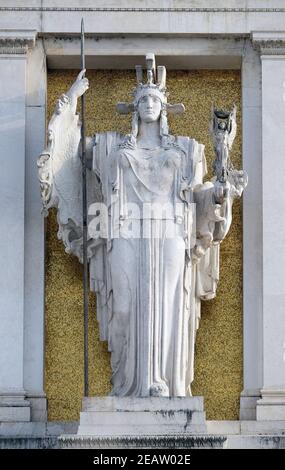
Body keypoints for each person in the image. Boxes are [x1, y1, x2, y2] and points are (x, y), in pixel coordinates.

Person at [38, 54, 247, 397]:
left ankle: (161, 383)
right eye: (143, 99)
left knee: (166, 308)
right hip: (124, 235)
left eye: (155, 99)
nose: (149, 104)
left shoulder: (185, 150)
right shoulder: (109, 147)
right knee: (123, 306)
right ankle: (127, 384)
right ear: (134, 108)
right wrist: (69, 101)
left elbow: (198, 196)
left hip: (169, 235)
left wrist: (221, 186)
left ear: (164, 108)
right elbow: (67, 155)